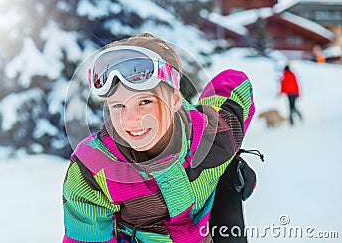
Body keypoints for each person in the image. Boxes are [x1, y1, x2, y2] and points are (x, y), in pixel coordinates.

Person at [62, 33, 256, 243]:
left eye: (145, 102)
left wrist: (229, 163)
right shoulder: (93, 169)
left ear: (175, 101)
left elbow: (237, 84)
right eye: (118, 105)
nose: (130, 120)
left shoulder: (214, 133)